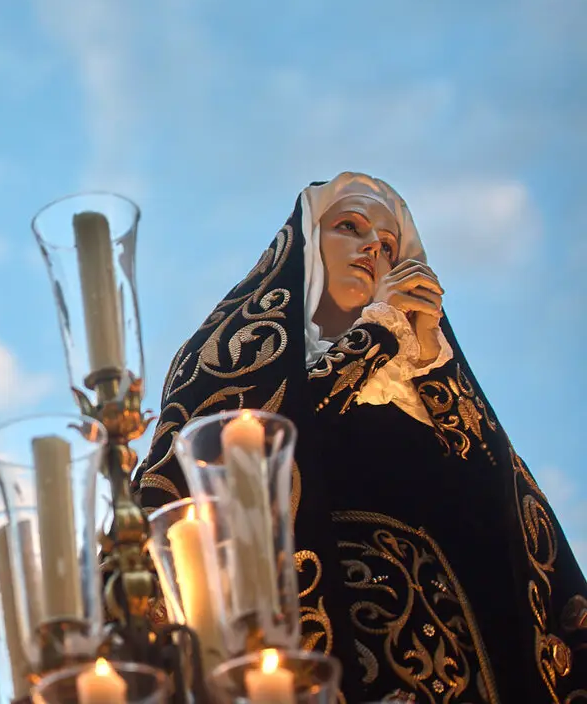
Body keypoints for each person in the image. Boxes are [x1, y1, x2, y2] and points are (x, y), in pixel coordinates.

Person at [136, 172, 587, 703]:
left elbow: (507, 519)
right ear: (305, 245)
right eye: (349, 225)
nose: (373, 246)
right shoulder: (239, 354)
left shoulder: (422, 380)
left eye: (390, 245)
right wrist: (374, 334)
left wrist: (428, 366)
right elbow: (252, 459)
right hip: (332, 655)